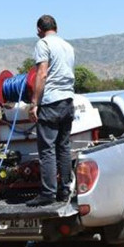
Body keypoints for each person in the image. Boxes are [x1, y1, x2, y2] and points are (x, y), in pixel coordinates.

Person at [27, 15, 75, 206]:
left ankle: (48, 193)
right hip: (67, 101)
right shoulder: (68, 46)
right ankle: (64, 189)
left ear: (39, 29)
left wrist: (34, 102)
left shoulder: (43, 44)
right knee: (63, 147)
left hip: (51, 102)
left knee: (47, 150)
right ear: (56, 27)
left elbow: (42, 73)